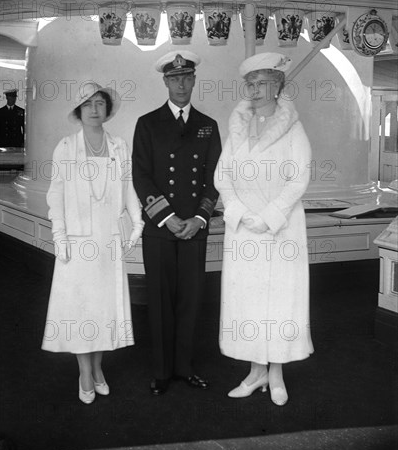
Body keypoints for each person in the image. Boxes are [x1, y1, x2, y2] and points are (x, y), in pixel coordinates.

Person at [214, 52, 313, 406]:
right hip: (244, 230)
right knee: (249, 300)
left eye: (262, 83)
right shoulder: (238, 127)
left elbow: (298, 178)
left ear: (278, 86)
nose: (255, 90)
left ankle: (277, 374)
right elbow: (222, 177)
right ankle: (256, 372)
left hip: (281, 230)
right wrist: (240, 212)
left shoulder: (293, 128)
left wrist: (269, 216)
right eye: (250, 84)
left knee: (280, 301)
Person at [42, 81, 144, 404]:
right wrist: (59, 236)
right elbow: (55, 193)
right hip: (76, 238)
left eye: (100, 103)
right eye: (88, 104)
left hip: (108, 239)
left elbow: (129, 187)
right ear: (79, 111)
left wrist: (137, 222)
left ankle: (98, 367)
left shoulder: (118, 147)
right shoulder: (66, 148)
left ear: (107, 109)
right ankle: (84, 372)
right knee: (80, 308)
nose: (95, 109)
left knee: (102, 309)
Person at [132, 51, 222, 395]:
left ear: (194, 80)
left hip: (195, 228)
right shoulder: (148, 123)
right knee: (160, 299)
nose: (181, 84)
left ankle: (184, 367)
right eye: (174, 78)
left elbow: (215, 176)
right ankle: (161, 371)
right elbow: (140, 175)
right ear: (165, 82)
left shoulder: (207, 125)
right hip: (161, 228)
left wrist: (200, 218)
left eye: (187, 77)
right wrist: (168, 219)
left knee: (190, 300)